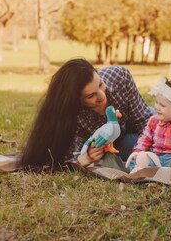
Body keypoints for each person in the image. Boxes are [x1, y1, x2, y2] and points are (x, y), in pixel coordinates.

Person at [18, 58, 153, 170]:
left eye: (100, 84)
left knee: (161, 123)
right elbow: (64, 155)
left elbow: (143, 119)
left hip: (132, 123)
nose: (102, 96)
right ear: (76, 101)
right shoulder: (70, 117)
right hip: (114, 146)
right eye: (91, 96)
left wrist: (154, 141)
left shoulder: (120, 77)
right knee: (129, 146)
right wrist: (86, 157)